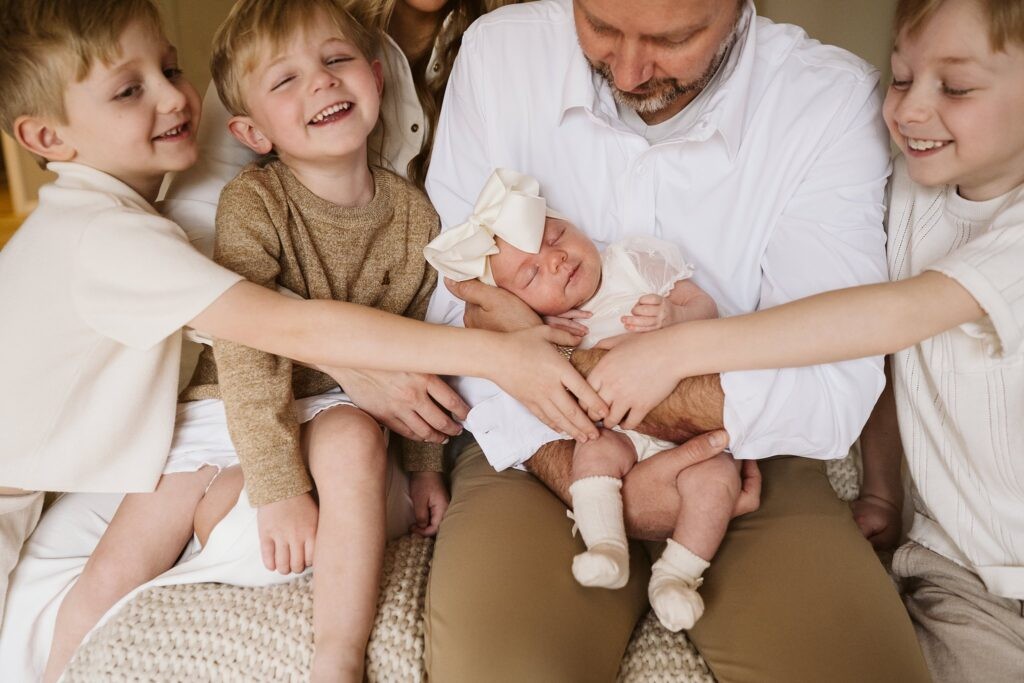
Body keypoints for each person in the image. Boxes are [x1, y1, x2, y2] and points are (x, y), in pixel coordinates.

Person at [0, 1, 603, 679]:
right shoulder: (106, 238)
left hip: (60, 475)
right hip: (13, 506)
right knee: (75, 609)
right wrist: (496, 353)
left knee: (136, 540)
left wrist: (423, 457)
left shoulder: (116, 218)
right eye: (130, 89)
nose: (175, 95)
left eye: (170, 67)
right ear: (47, 138)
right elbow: (282, 326)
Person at [420, 0, 933, 680]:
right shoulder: (498, 57)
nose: (629, 71)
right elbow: (453, 321)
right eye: (600, 27)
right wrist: (583, 475)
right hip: (536, 447)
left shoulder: (829, 103)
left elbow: (831, 383)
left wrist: (585, 383)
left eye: (675, 38)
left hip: (745, 464)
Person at [586, 0, 1024, 679]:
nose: (909, 110)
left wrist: (675, 350)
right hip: (956, 567)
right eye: (903, 78)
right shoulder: (916, 185)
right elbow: (892, 361)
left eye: (957, 88)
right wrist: (880, 491)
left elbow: (886, 317)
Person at [174, 0, 453, 679]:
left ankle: (337, 654)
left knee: (354, 436)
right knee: (144, 509)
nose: (322, 83)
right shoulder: (254, 202)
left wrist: (422, 465)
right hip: (239, 398)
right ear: (251, 130)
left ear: (377, 81)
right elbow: (245, 346)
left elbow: (415, 340)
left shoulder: (415, 215)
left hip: (339, 404)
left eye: (336, 61)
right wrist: (277, 487)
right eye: (286, 81)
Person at [425, 168, 754, 632]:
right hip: (615, 436)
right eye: (532, 273)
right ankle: (606, 546)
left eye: (555, 235)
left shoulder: (634, 260)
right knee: (593, 452)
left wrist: (673, 316)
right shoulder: (545, 331)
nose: (556, 260)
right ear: (520, 304)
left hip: (687, 430)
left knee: (718, 476)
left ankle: (677, 576)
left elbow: (703, 307)